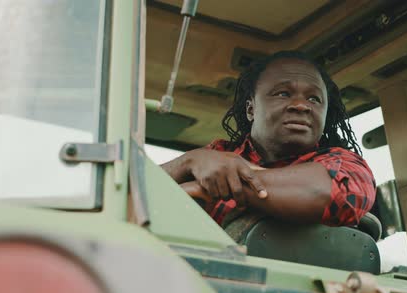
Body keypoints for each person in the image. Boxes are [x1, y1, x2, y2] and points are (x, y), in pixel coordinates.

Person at [161, 50, 375, 227]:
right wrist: (190, 160)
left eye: (314, 98)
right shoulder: (215, 155)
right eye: (283, 93)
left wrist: (214, 184)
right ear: (251, 109)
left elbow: (332, 194)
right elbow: (132, 188)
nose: (301, 105)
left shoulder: (346, 164)